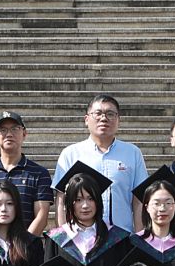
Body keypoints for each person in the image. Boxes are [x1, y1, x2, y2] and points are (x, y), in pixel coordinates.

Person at [44, 163, 131, 266]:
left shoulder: (117, 238)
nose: (85, 205)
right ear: (70, 203)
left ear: (98, 201)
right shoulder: (57, 240)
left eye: (90, 198)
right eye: (78, 200)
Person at [54, 95, 146, 231]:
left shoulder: (132, 153)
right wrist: (64, 237)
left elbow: (139, 200)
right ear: (86, 119)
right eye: (98, 113)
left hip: (121, 236)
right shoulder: (71, 154)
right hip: (81, 237)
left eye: (110, 114)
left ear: (118, 120)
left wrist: (139, 237)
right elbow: (61, 199)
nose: (104, 118)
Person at [0, 112, 55, 237]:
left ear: (24, 133)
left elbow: (41, 217)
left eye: (15, 129)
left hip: (26, 245)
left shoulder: (39, 173)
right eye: (3, 130)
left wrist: (24, 244)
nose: (9, 134)